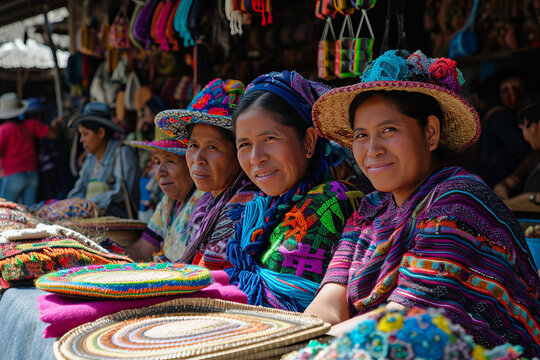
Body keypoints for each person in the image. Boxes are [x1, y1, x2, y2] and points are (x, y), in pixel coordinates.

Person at [305, 50, 540, 357]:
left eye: (388, 130)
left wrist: (317, 348)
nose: (372, 149)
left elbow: (407, 319)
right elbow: (328, 305)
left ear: (430, 132)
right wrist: (300, 340)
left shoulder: (459, 202)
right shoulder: (369, 211)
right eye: (361, 135)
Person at [225, 71, 365, 312]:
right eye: (244, 144)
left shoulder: (331, 200)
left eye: (269, 138)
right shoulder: (258, 210)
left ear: (308, 141)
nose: (256, 158)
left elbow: (276, 307)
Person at [155, 78, 259, 270]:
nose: (198, 159)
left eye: (212, 147)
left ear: (240, 152)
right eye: (193, 145)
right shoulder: (208, 204)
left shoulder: (243, 205)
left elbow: (204, 277)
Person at [122, 131, 204, 262]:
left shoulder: (205, 202)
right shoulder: (168, 202)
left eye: (170, 161)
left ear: (192, 162)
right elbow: (142, 250)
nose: (160, 172)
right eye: (157, 161)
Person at [67, 102, 141, 218]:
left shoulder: (122, 153)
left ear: (101, 132)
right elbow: (80, 188)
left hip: (118, 225)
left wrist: (89, 204)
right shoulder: (90, 159)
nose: (81, 140)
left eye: (85, 134)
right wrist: (68, 205)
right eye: (81, 135)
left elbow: (121, 192)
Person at [470, 70, 531, 187]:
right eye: (505, 91)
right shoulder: (500, 116)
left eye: (518, 89)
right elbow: (522, 150)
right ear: (497, 94)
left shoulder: (512, 115)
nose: (513, 95)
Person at [0, 92, 60, 206]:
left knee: (5, 211)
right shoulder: (30, 124)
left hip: (13, 174)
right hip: (32, 174)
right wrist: (55, 124)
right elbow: (53, 134)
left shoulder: (4, 129)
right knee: (29, 210)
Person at [494, 100, 540, 203]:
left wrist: (528, 198)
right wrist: (502, 187)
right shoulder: (534, 156)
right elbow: (513, 180)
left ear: (533, 127)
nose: (525, 137)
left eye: (522, 129)